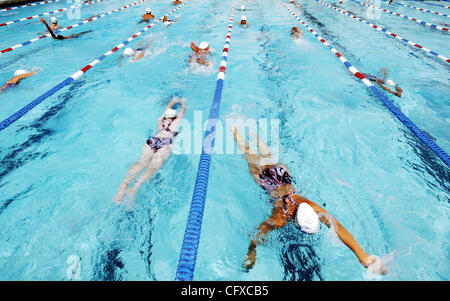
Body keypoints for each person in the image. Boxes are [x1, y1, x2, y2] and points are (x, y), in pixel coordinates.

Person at [230, 126, 388, 274]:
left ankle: (250, 131)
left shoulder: (310, 206)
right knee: (251, 157)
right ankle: (236, 130)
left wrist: (364, 256)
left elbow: (338, 227)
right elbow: (257, 233)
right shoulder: (280, 218)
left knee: (266, 156)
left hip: (281, 173)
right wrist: (252, 253)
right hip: (269, 180)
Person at [115, 97, 186, 203]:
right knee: (152, 168)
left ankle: (123, 185)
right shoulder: (177, 122)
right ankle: (134, 189)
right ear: (174, 117)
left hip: (152, 141)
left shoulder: (160, 121)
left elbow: (166, 109)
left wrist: (173, 101)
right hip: (165, 144)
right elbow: (182, 112)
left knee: (140, 164)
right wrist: (183, 103)